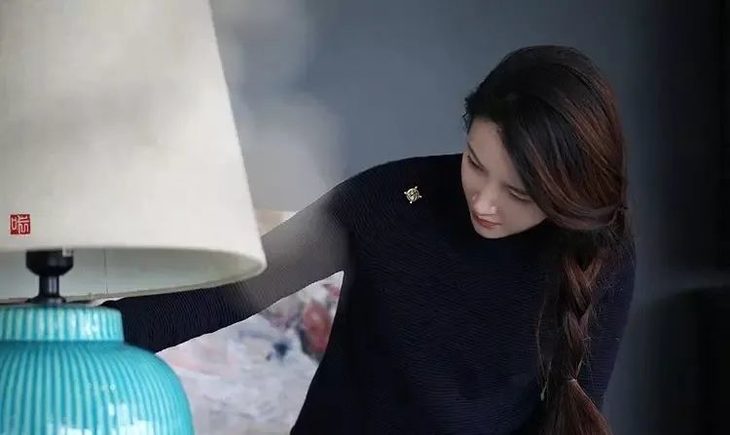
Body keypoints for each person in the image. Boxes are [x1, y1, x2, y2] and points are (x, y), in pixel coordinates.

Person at [105, 45, 635, 435]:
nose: (484, 203)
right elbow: (231, 290)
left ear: (567, 197)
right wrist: (83, 331)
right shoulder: (389, 200)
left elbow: (578, 408)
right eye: (475, 163)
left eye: (518, 193)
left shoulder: (600, 254)